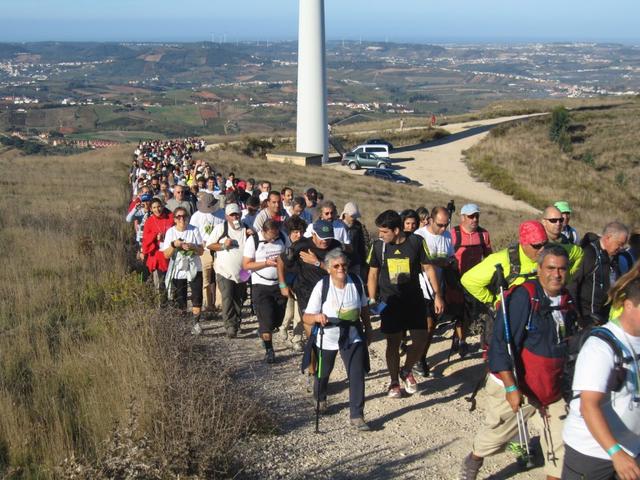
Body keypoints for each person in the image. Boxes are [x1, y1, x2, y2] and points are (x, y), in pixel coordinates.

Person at [460, 245, 578, 480]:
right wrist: (511, 387)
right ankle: (474, 458)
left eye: (562, 269)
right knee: (497, 436)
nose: (556, 274)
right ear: (539, 268)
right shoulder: (523, 297)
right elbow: (502, 343)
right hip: (519, 385)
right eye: (551, 268)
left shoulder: (566, 300)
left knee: (560, 445)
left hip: (551, 388)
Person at [562, 267, 640, 480]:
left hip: (632, 449)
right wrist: (615, 452)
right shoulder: (600, 346)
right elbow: (589, 406)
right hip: (593, 453)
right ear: (628, 305)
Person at [367, 210, 443, 398]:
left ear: (397, 229)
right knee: (393, 343)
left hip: (414, 300)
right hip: (390, 302)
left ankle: (406, 369)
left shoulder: (416, 242)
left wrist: (438, 294)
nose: (380, 235)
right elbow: (373, 273)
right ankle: (394, 382)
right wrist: (371, 299)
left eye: (384, 232)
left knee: (421, 339)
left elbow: (428, 267)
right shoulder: (378, 246)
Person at [302, 249, 373, 431]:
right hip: (327, 337)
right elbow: (307, 317)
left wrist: (368, 327)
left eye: (344, 265)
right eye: (336, 266)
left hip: (352, 335)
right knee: (323, 372)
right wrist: (317, 318)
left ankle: (357, 415)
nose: (341, 268)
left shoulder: (356, 282)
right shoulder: (322, 286)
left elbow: (364, 307)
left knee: (356, 374)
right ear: (328, 269)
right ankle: (320, 397)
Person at [414, 206, 458, 371]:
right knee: (426, 325)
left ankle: (421, 357)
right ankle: (415, 358)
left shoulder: (447, 236)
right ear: (430, 220)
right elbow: (419, 263)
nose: (443, 228)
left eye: (446, 225)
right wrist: (439, 262)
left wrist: (451, 262)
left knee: (431, 327)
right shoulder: (419, 236)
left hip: (439, 287)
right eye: (440, 224)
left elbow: (451, 256)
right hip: (420, 288)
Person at [243, 219, 288, 364]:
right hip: (260, 285)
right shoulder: (253, 240)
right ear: (264, 231)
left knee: (277, 321)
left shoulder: (282, 237)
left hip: (278, 284)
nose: (274, 239)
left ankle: (263, 330)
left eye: (276, 236)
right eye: (271, 237)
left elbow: (289, 253)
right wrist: (266, 263)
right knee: (267, 322)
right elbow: (246, 264)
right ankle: (269, 350)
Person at [450, 203, 493, 358]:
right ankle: (461, 340)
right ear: (462, 217)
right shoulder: (453, 233)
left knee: (468, 313)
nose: (475, 219)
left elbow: (489, 257)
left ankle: (459, 339)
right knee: (459, 311)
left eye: (477, 216)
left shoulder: (483, 234)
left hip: (476, 282)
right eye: (471, 216)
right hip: (456, 280)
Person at [568, 222, 630, 325]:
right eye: (619, 244)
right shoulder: (590, 254)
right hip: (586, 318)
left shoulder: (614, 258)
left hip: (603, 318)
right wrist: (578, 316)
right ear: (608, 237)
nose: (621, 249)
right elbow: (572, 285)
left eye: (623, 245)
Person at [207, 203, 248, 338]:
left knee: (240, 298)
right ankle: (230, 325)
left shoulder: (246, 229)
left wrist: (253, 235)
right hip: (224, 270)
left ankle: (236, 323)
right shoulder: (221, 228)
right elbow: (210, 245)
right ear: (226, 216)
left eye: (237, 214)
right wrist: (224, 245)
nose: (235, 217)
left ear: (240, 214)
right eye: (232, 215)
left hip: (243, 271)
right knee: (228, 297)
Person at [162, 207, 205, 334]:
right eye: (178, 217)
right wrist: (174, 245)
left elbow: (201, 251)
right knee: (180, 298)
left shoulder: (194, 230)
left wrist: (192, 246)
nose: (182, 219)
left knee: (197, 296)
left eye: (184, 216)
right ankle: (182, 324)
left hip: (194, 267)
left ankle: (196, 323)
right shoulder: (170, 232)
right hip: (178, 270)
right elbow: (166, 255)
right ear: (174, 219)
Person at [279, 215, 308, 352]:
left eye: (301, 232)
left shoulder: (305, 245)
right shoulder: (284, 244)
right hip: (289, 282)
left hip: (301, 284)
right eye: (295, 232)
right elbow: (281, 265)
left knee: (298, 313)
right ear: (289, 232)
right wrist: (284, 284)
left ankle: (297, 338)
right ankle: (283, 328)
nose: (299, 235)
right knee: (290, 312)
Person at [189, 193, 221, 315]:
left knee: (219, 277)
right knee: (205, 279)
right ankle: (207, 305)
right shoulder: (196, 216)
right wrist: (199, 244)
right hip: (204, 250)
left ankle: (219, 305)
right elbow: (192, 233)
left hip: (218, 250)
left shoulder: (221, 214)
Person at [141, 198, 174, 299]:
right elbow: (145, 239)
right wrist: (155, 236)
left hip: (170, 253)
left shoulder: (170, 218)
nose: (157, 209)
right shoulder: (149, 221)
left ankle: (174, 306)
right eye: (154, 208)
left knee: (172, 283)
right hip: (156, 255)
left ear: (163, 206)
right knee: (159, 285)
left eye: (159, 206)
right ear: (151, 209)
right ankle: (162, 308)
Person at [541, 206, 584, 279]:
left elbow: (580, 254)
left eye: (561, 220)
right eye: (553, 220)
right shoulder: (536, 241)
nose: (558, 223)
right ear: (544, 222)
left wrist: (568, 276)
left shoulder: (565, 241)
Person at [341, 202, 369, 280]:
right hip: (341, 262)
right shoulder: (337, 225)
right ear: (345, 214)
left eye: (355, 217)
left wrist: (363, 262)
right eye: (352, 216)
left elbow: (361, 244)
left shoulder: (357, 226)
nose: (354, 218)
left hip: (355, 262)